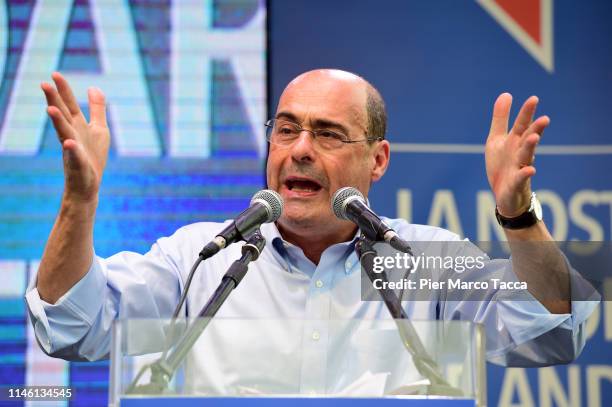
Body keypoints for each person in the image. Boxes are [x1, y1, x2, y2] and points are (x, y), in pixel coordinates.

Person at [25, 69, 597, 392]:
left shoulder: (427, 259)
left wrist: (519, 218)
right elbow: (73, 322)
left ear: (377, 160)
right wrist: (79, 201)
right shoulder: (198, 257)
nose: (299, 150)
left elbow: (546, 328)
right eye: (287, 130)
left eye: (326, 134)